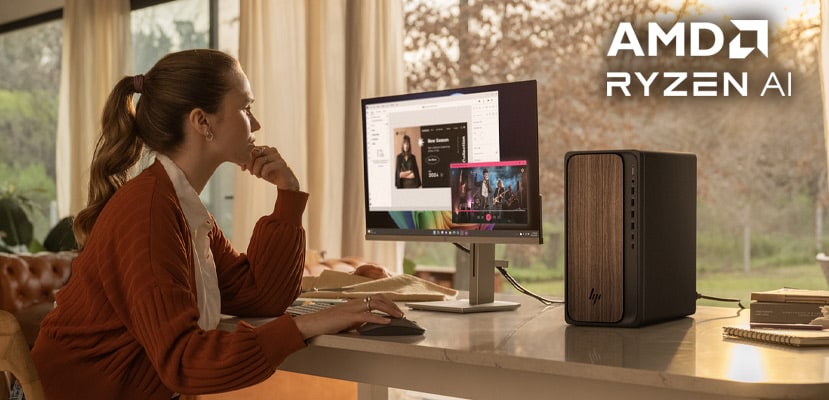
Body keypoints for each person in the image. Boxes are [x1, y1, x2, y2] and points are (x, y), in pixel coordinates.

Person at [30, 49, 403, 400]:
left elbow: (260, 296)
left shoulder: (183, 206)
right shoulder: (148, 211)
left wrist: (288, 196)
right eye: (245, 108)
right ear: (202, 122)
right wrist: (307, 325)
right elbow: (184, 360)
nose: (255, 123)